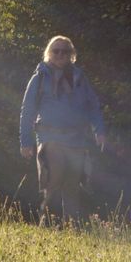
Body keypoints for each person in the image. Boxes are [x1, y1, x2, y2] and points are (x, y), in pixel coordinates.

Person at [19, 35, 105, 222]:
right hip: (49, 137)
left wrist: (99, 130)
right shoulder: (40, 77)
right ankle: (47, 222)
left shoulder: (79, 77)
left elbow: (93, 105)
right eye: (56, 50)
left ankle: (71, 229)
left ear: (71, 54)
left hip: (76, 139)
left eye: (65, 51)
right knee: (54, 177)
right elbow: (28, 110)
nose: (60, 54)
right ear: (49, 53)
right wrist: (26, 141)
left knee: (72, 185)